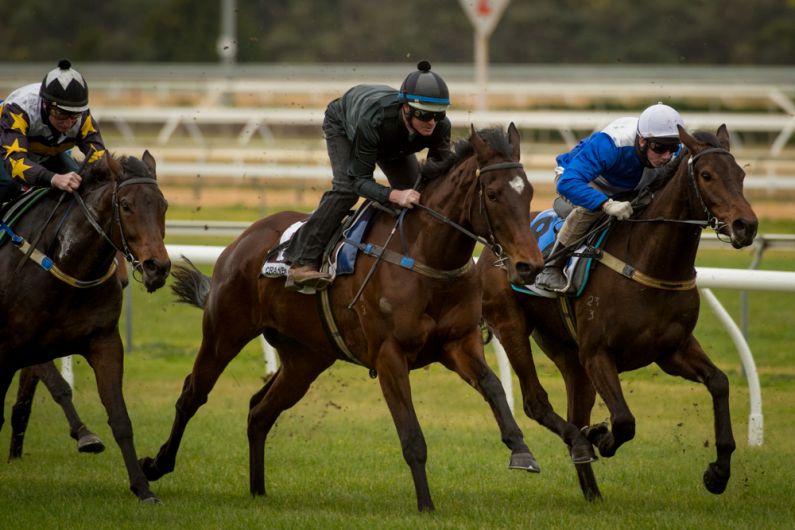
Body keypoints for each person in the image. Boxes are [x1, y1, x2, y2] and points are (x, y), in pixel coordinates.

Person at [283, 60, 453, 291]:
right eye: (424, 114)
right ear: (406, 107)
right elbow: (359, 180)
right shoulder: (373, 120)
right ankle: (302, 261)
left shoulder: (440, 127)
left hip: (393, 140)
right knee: (346, 190)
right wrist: (393, 195)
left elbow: (437, 178)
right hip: (345, 123)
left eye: (438, 115)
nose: (432, 122)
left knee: (419, 198)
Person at [534, 102, 685, 292]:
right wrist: (605, 204)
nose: (667, 156)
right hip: (580, 178)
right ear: (642, 141)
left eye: (673, 148)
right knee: (590, 209)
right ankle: (551, 268)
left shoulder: (671, 148)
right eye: (660, 148)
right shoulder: (611, 143)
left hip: (627, 186)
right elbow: (568, 182)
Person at [0, 59, 106, 207]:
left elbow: (101, 161)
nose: (68, 124)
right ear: (45, 104)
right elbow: (15, 163)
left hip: (43, 151)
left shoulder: (83, 117)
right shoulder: (19, 109)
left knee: (79, 184)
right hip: (6, 150)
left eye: (74, 115)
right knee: (9, 185)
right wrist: (53, 178)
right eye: (60, 114)